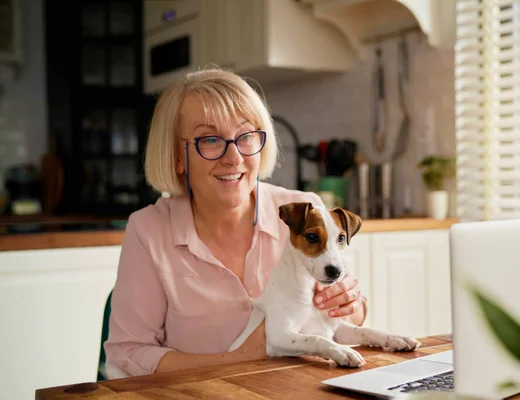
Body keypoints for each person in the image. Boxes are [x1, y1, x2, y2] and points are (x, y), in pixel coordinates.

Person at [103, 68, 367, 378]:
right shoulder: (149, 231)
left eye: (246, 135)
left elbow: (348, 316)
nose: (234, 158)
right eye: (211, 139)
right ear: (177, 156)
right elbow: (127, 356)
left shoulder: (305, 212)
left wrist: (350, 305)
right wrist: (242, 357)